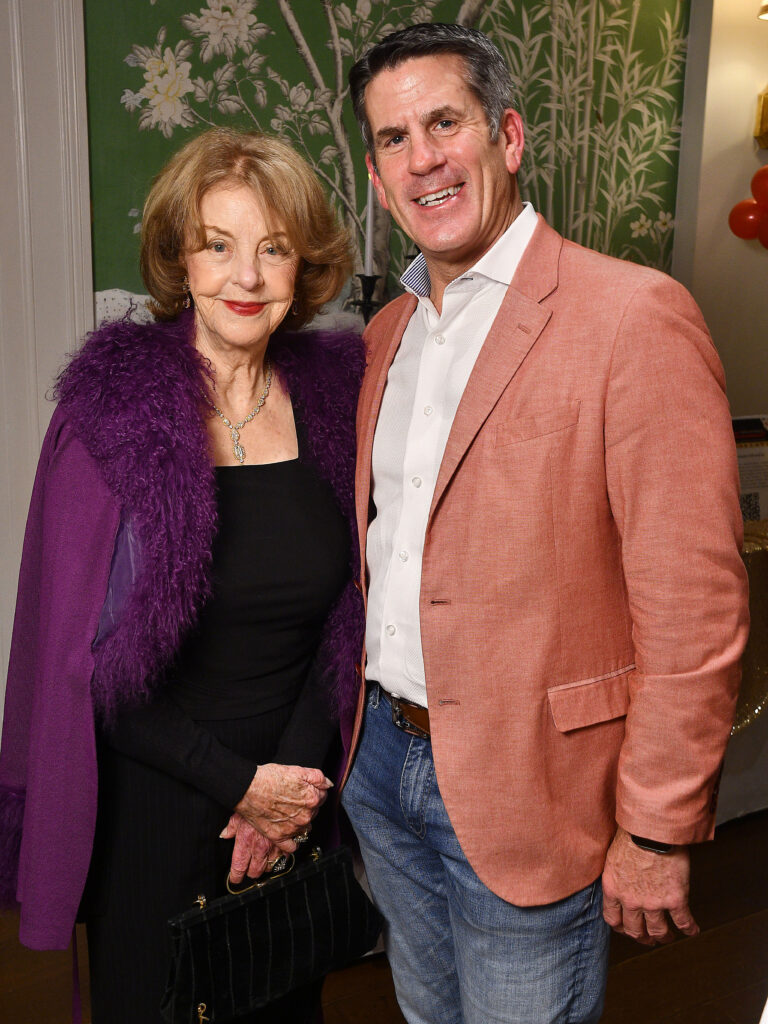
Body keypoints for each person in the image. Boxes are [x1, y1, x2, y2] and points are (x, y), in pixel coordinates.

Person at [340, 23, 750, 1024]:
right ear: (376, 171)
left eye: (445, 122)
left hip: (533, 783)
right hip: (381, 764)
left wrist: (655, 830)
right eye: (393, 138)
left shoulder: (632, 315)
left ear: (508, 136)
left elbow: (693, 605)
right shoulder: (384, 331)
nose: (422, 157)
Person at [0, 127, 364, 1023]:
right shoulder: (110, 416)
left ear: (303, 266)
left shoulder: (339, 402)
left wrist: (286, 783)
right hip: (155, 803)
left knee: (284, 1006)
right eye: (218, 245)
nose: (246, 277)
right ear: (179, 258)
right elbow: (83, 662)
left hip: (294, 794)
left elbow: (356, 612)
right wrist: (239, 784)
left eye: (273, 249)